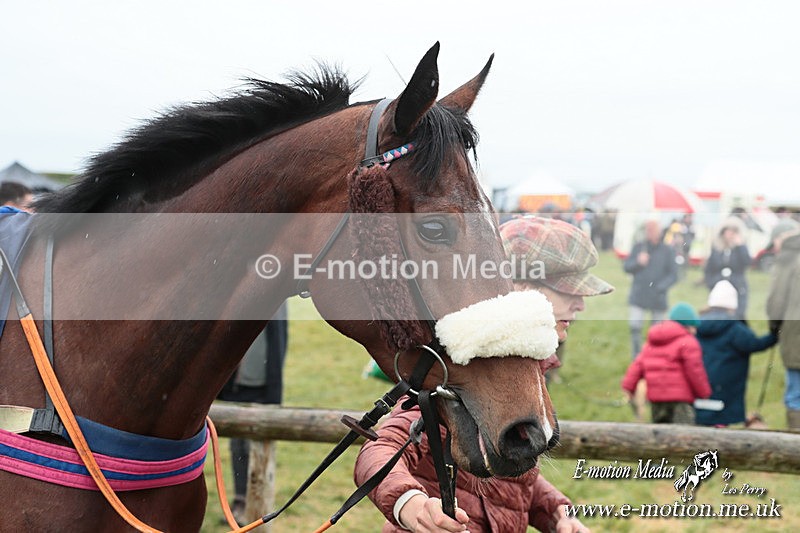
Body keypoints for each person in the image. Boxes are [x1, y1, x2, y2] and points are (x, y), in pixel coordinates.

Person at [354, 216, 613, 533]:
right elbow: (381, 449)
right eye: (567, 291)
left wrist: (558, 514)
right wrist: (410, 504)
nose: (581, 305)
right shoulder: (462, 369)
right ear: (520, 290)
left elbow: (513, 474)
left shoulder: (525, 370)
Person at [217, 303, 288, 522]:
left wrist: (273, 388)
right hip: (236, 384)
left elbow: (278, 343)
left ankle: (255, 506)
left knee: (256, 447)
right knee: (238, 444)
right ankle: (240, 501)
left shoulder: (275, 302)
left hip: (259, 384)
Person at [695, 280, 778, 427]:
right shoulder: (735, 328)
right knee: (720, 421)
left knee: (703, 418)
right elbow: (755, 344)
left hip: (701, 382)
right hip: (726, 384)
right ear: (733, 304)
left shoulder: (698, 325)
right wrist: (774, 335)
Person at [621, 302, 711, 425]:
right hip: (681, 401)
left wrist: (628, 387)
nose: (695, 332)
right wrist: (704, 393)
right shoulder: (688, 342)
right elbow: (695, 371)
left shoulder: (652, 342)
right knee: (683, 437)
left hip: (656, 400)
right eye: (693, 327)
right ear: (686, 326)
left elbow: (637, 366)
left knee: (660, 437)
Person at [623, 219, 678, 359]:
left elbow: (673, 275)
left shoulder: (667, 250)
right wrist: (638, 262)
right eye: (648, 229)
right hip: (639, 294)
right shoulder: (639, 247)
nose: (650, 232)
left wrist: (660, 287)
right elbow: (627, 267)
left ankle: (655, 357)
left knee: (657, 331)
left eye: (653, 229)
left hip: (658, 297)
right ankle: (636, 358)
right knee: (635, 327)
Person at [766, 218, 800, 430]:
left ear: (781, 238)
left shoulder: (787, 258)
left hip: (795, 336)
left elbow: (776, 303)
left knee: (796, 395)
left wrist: (773, 328)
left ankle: (795, 451)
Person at [703, 216, 750, 320]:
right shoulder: (717, 248)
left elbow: (747, 262)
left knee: (738, 315)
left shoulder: (740, 248)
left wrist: (740, 246)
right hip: (718, 286)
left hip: (737, 286)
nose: (730, 234)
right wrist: (711, 283)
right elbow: (709, 268)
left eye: (734, 231)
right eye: (728, 231)